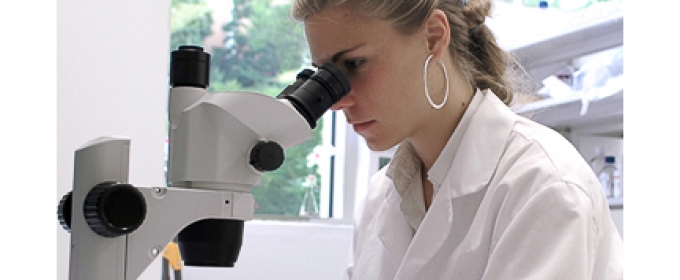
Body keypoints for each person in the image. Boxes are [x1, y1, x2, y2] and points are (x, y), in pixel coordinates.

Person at [291, 0, 623, 279]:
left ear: (434, 38)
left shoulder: (544, 185)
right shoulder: (381, 197)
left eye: (354, 64)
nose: (336, 101)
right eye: (323, 76)